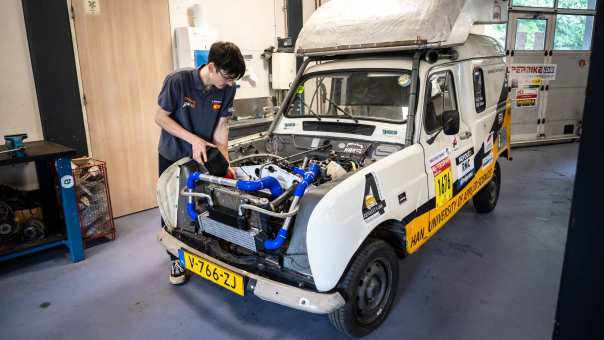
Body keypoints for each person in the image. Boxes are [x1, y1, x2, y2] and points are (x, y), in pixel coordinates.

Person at [154, 41, 246, 285]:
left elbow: (220, 129)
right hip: (174, 154)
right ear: (212, 66)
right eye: (226, 77)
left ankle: (202, 251)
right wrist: (193, 139)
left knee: (203, 202)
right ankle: (174, 258)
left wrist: (226, 165)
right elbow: (160, 117)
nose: (228, 83)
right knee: (173, 207)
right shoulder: (178, 81)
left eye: (233, 79)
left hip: (203, 155)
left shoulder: (227, 88)